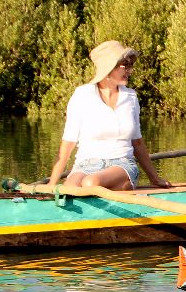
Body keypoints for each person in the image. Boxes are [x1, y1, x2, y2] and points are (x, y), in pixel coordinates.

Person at [47, 40, 170, 191]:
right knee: (69, 188)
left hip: (122, 164)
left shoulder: (131, 97)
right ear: (109, 68)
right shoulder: (82, 95)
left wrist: (155, 178)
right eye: (125, 66)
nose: (129, 71)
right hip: (85, 165)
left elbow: (137, 143)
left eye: (130, 65)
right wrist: (51, 185)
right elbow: (67, 145)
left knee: (91, 183)